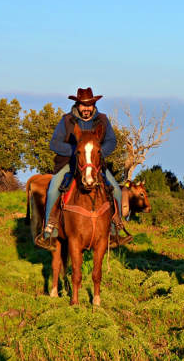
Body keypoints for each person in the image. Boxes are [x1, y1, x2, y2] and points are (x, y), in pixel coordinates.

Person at [35, 87, 130, 250]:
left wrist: (96, 154)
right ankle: (49, 232)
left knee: (116, 190)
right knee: (52, 191)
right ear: (77, 105)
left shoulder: (102, 120)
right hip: (69, 163)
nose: (86, 108)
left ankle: (115, 231)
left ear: (94, 105)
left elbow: (111, 141)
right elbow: (54, 143)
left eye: (89, 105)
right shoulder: (66, 121)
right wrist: (77, 152)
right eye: (83, 105)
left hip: (94, 164)